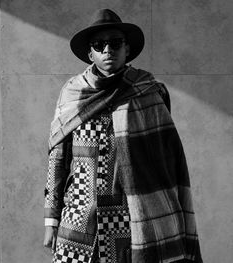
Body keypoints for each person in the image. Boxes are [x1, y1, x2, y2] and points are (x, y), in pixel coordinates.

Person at [43, 9, 202, 263]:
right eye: (99, 44)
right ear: (90, 53)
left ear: (127, 49)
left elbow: (169, 161)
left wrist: (173, 216)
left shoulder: (148, 91)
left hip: (132, 219)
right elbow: (57, 160)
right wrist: (51, 219)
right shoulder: (72, 95)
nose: (108, 49)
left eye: (115, 43)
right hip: (79, 216)